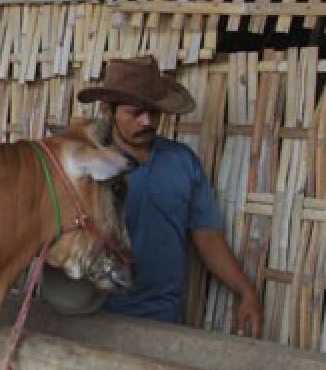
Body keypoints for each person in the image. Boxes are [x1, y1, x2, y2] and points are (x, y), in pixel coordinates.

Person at [78, 56, 263, 337]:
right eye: (135, 112)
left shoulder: (182, 162)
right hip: (93, 315)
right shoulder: (86, 165)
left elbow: (207, 237)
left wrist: (246, 291)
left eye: (154, 112)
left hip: (161, 316)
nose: (147, 121)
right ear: (108, 110)